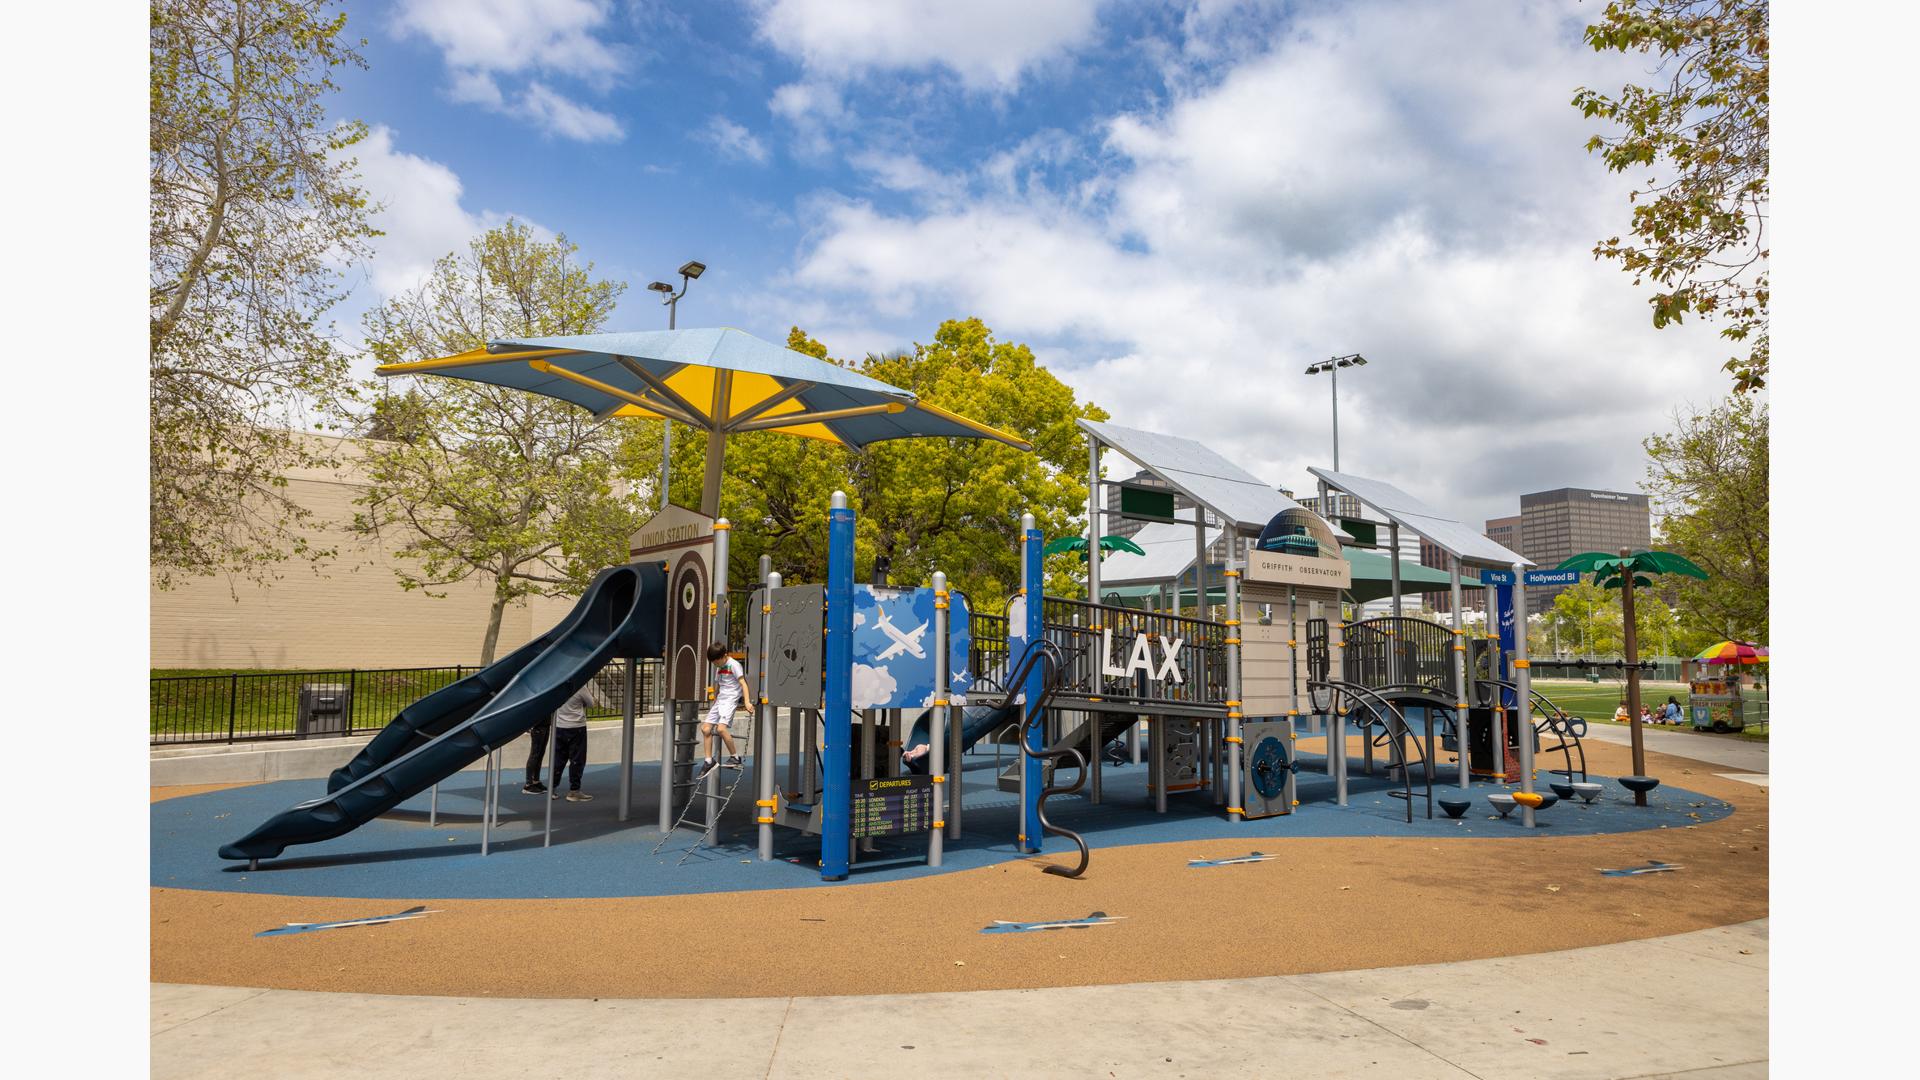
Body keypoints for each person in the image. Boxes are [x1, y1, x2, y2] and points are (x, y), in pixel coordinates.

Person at [694, 641, 745, 781]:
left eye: (716, 662)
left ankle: (735, 757)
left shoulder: (734, 665)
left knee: (721, 729)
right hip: (720, 700)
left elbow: (743, 683)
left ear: (724, 656)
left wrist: (746, 701)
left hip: (730, 700)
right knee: (705, 729)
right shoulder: (720, 666)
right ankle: (709, 761)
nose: (715, 665)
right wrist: (715, 696)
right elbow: (717, 682)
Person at [548, 682, 597, 801]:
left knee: (558, 759)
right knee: (577, 759)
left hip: (560, 726)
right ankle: (574, 790)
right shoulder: (579, 687)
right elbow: (591, 703)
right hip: (576, 726)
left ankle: (552, 788)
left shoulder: (557, 686)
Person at [522, 714, 551, 795]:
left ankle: (535, 781)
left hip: (545, 724)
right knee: (535, 755)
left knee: (540, 755)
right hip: (538, 726)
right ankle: (528, 784)